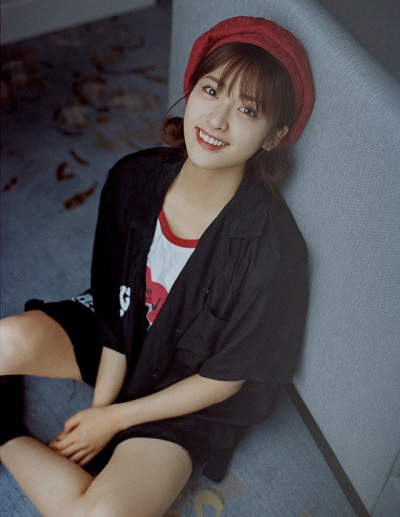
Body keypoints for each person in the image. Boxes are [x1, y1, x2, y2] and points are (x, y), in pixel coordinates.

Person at [0, 16, 314, 517]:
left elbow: (223, 379)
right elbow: (113, 315)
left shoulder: (273, 251)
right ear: (191, 88)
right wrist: (99, 412)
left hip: (190, 390)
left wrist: (115, 421)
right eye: (211, 90)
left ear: (273, 136)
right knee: (5, 341)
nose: (217, 120)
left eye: (247, 109)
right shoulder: (133, 179)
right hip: (127, 332)